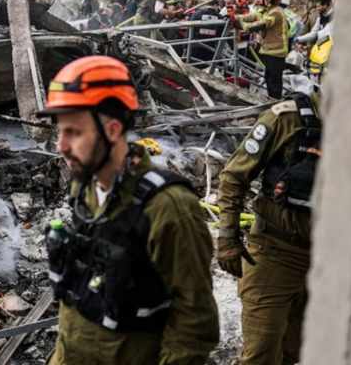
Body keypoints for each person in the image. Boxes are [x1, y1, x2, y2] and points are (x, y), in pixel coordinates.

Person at [39, 56, 219, 365]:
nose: (61, 146)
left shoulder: (168, 208)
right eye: (60, 132)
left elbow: (194, 321)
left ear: (111, 129)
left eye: (74, 133)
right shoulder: (83, 187)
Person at [215, 74, 322, 365]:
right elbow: (234, 177)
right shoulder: (287, 119)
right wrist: (227, 237)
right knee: (261, 354)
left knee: (296, 352)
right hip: (276, 252)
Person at [237, 0, 289, 98]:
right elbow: (253, 16)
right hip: (270, 52)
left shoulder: (276, 12)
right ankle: (272, 101)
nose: (263, 0)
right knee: (269, 78)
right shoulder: (266, 11)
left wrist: (242, 25)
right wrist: (236, 18)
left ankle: (275, 103)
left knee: (274, 81)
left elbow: (262, 24)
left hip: (276, 53)